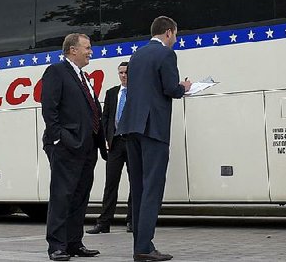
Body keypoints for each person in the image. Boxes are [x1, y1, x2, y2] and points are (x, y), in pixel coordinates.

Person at [116, 16, 192, 262]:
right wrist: (184, 87)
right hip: (153, 129)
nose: (176, 40)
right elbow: (170, 89)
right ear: (168, 32)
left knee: (138, 188)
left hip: (131, 127)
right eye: (176, 35)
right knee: (153, 187)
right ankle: (144, 248)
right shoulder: (166, 55)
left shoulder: (136, 54)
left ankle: (140, 244)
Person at [41, 33, 106, 261]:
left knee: (80, 196)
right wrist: (60, 138)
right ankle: (57, 246)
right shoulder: (56, 72)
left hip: (88, 147)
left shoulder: (84, 76)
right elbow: (50, 109)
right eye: (87, 47)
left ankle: (74, 243)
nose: (91, 51)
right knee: (62, 195)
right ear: (72, 50)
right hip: (66, 147)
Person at [86, 61, 133, 234]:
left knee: (134, 183)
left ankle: (132, 221)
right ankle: (104, 222)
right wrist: (107, 138)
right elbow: (105, 118)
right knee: (111, 183)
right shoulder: (112, 93)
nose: (123, 75)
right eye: (120, 72)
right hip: (115, 144)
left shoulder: (138, 92)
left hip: (133, 143)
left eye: (126, 72)